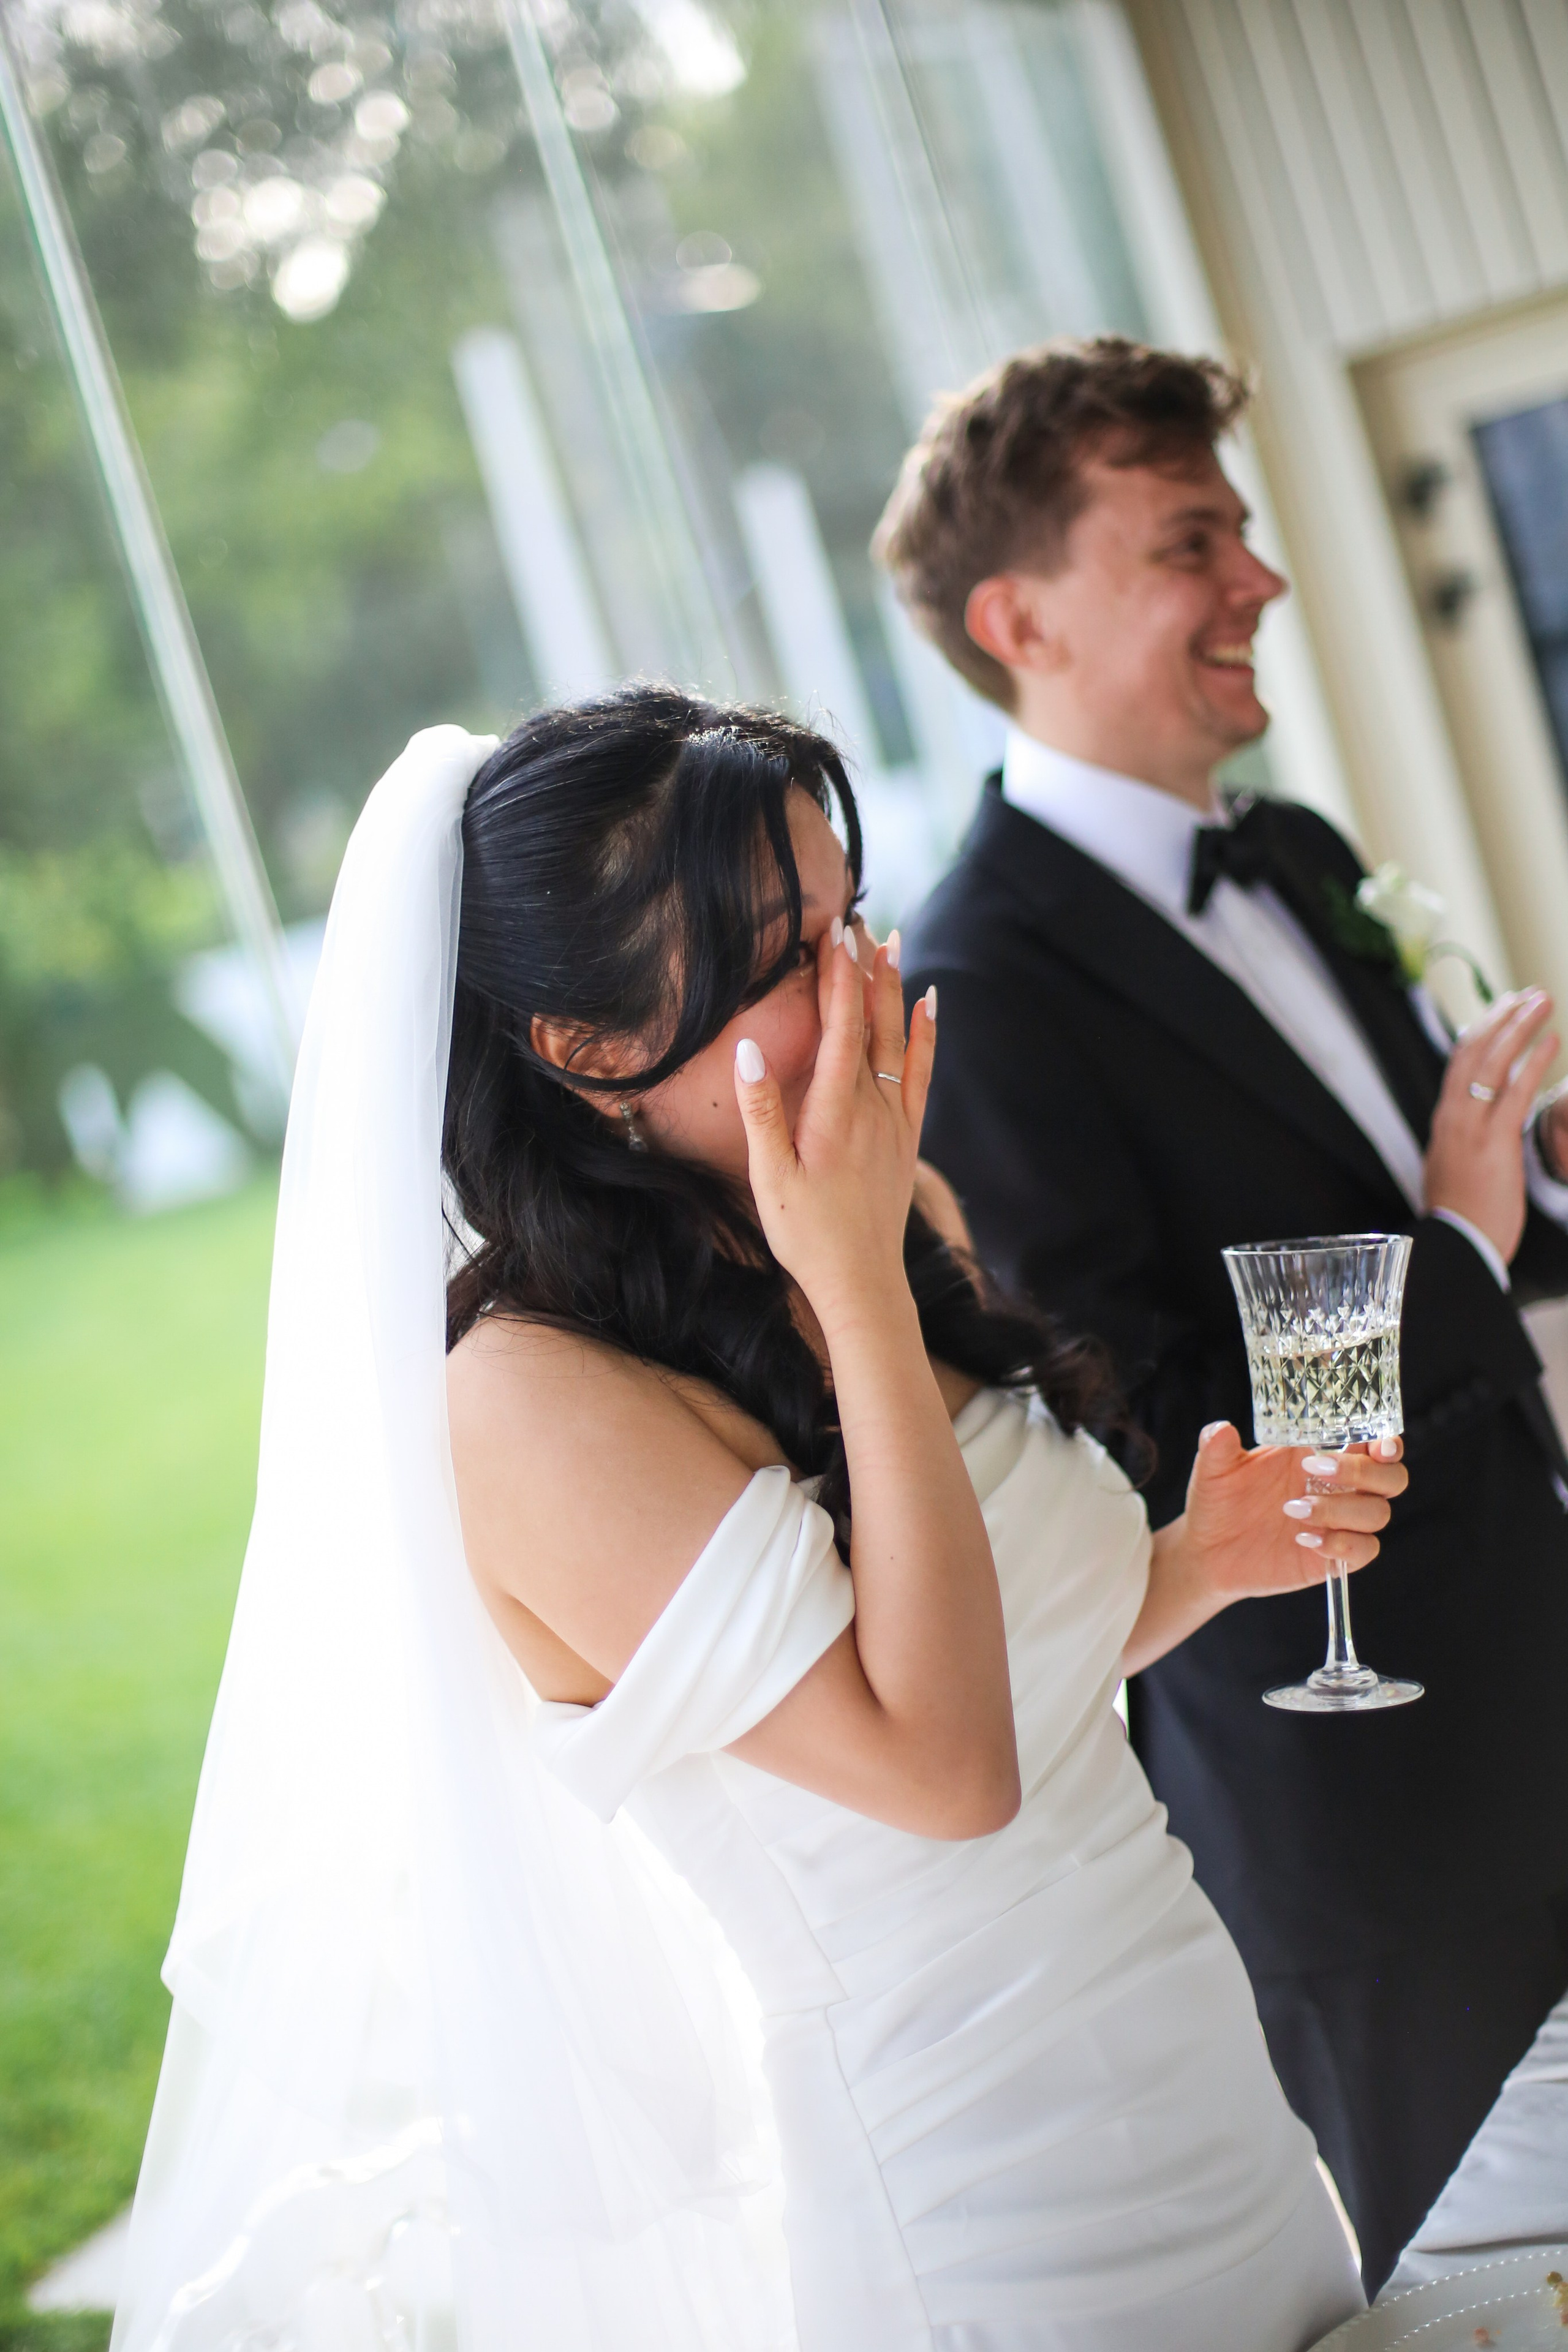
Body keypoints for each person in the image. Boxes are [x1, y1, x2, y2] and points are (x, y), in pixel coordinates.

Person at [110, 689, 1399, 2352]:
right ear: (582, 1052)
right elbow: (942, 1771)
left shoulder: (883, 1211)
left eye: (850, 916)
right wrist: (855, 1282)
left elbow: (1005, 1660)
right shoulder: (522, 1404)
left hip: (1219, 2110)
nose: (864, 983)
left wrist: (1191, 1566)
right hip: (991, 2229)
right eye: (785, 956)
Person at [880, 336, 1568, 2296]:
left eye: (1246, 531)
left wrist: (1533, 1180)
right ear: (1020, 618)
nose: (1259, 580)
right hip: (1373, 1819)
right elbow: (1152, 1425)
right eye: (1193, 540)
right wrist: (1453, 1227)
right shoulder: (983, 988)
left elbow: (1459, 1210)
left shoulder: (1301, 854)